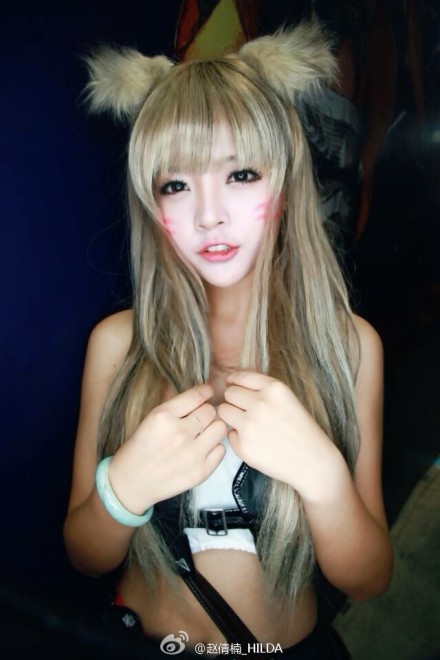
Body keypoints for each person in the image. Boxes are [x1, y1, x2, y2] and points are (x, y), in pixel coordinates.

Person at [63, 20, 393, 659]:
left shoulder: (349, 347)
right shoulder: (117, 344)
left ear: (284, 183)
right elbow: (84, 555)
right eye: (176, 185)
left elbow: (369, 577)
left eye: (240, 174)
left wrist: (322, 476)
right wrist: (123, 488)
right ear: (151, 203)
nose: (209, 214)